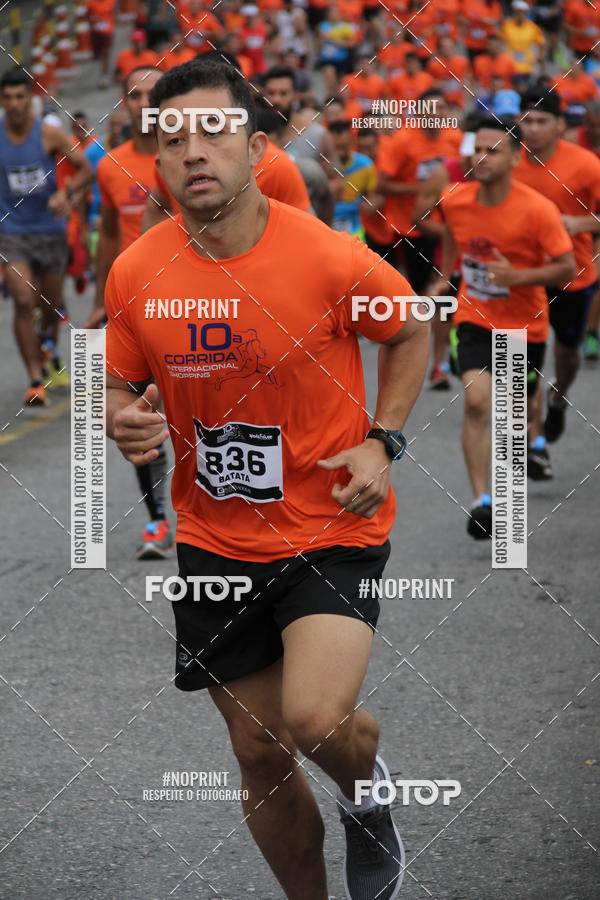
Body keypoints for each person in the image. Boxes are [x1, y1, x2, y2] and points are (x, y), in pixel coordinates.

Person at [105, 59, 430, 899]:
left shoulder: (327, 258)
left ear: (255, 149)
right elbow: (115, 379)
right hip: (214, 537)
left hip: (331, 522)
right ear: (157, 160)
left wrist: (381, 440)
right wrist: (118, 414)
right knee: (258, 749)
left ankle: (368, 794)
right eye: (171, 139)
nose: (193, 151)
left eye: (213, 132)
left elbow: (408, 331)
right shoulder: (140, 272)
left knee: (317, 720)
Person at [433, 116, 575, 536]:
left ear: (516, 157)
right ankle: (482, 502)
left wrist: (517, 278)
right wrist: (444, 276)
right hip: (474, 316)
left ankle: (536, 426)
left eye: (492, 151)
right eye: (476, 150)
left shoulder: (537, 210)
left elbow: (566, 268)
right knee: (477, 402)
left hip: (524, 325)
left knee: (520, 411)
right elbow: (455, 237)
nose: (481, 158)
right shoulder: (455, 199)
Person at [87, 65, 174, 561]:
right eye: (135, 96)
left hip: (191, 304)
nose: (144, 104)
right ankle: (158, 521)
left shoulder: (183, 157)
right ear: (124, 104)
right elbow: (107, 236)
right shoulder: (109, 165)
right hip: (135, 309)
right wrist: (102, 302)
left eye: (152, 95)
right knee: (139, 412)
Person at [0, 67, 91, 406]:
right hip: (12, 232)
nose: (14, 104)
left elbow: (84, 168)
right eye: (7, 97)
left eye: (20, 96)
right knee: (24, 300)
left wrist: (66, 194)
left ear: (31, 99)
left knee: (50, 308)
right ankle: (35, 379)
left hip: (50, 231)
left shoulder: (49, 134)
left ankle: (49, 351)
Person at [515, 87, 600, 442]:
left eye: (542, 121)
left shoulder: (586, 165)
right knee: (521, 358)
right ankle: (530, 440)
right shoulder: (507, 161)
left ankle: (559, 398)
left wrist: (579, 224)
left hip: (572, 275)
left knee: (566, 355)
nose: (533, 128)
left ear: (560, 125)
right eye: (527, 120)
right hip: (523, 277)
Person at [329, 120, 377, 236]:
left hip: (354, 228)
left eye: (344, 147)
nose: (340, 153)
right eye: (336, 147)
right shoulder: (320, 165)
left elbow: (371, 197)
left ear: (351, 142)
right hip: (325, 225)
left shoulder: (365, 165)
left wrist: (370, 206)